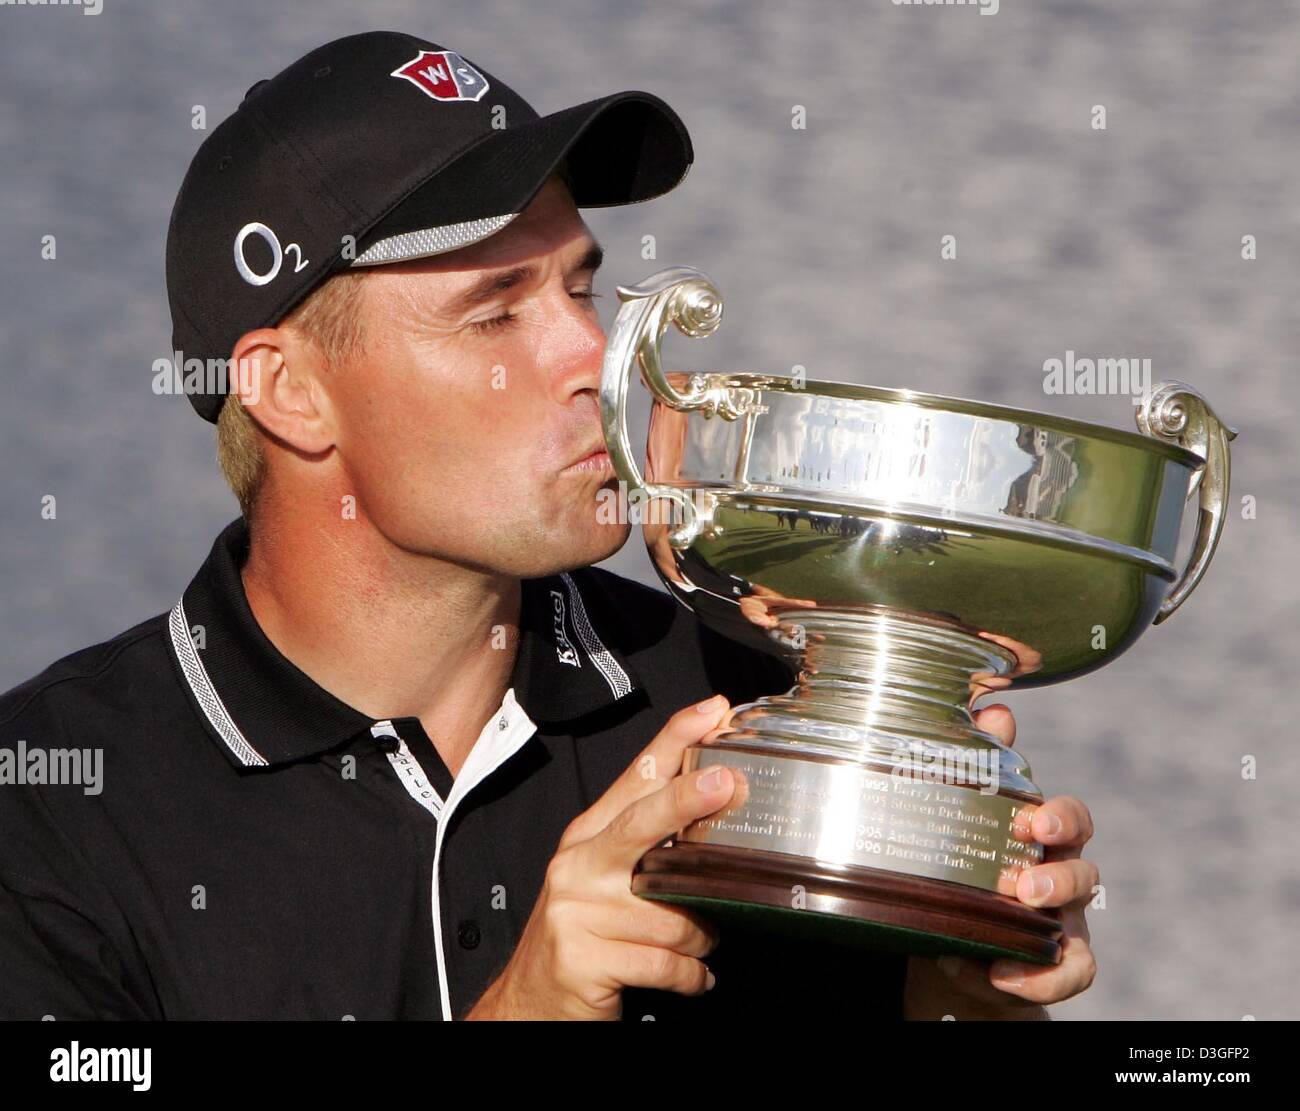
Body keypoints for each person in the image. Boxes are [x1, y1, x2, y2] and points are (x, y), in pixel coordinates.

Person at [0, 31, 1097, 1020]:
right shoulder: (51, 803)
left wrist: (961, 1004)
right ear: (289, 392)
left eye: (582, 290)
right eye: (494, 312)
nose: (596, 359)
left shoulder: (758, 709)